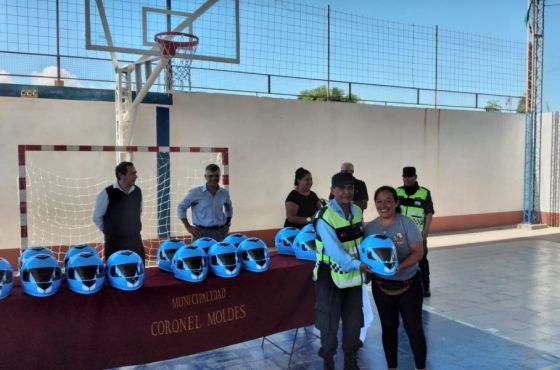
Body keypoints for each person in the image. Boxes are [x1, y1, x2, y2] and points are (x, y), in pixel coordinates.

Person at [314, 172, 372, 370]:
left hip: (353, 276)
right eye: (342, 188)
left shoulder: (357, 210)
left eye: (350, 188)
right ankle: (328, 362)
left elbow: (361, 242)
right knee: (329, 323)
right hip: (329, 275)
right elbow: (335, 252)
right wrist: (360, 265)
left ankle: (351, 362)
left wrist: (368, 264)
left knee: (354, 321)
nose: (347, 192)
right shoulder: (324, 217)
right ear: (332, 191)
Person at [365, 186, 427, 370]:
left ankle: (421, 367)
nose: (383, 205)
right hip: (382, 287)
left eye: (388, 201)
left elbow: (418, 252)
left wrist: (399, 266)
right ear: (375, 204)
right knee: (388, 328)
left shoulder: (407, 223)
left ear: (396, 202)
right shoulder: (370, 229)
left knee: (414, 329)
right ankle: (392, 367)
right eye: (379, 201)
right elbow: (367, 256)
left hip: (409, 285)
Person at [93, 161, 145, 262]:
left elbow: (139, 212)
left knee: (138, 270)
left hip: (135, 240)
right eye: (132, 173)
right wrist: (109, 231)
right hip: (114, 243)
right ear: (122, 175)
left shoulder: (138, 191)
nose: (136, 176)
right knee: (115, 272)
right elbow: (97, 217)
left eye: (135, 173)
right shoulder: (107, 193)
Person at [396, 166, 434, 297]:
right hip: (400, 235)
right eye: (404, 176)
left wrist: (425, 233)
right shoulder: (397, 192)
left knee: (422, 260)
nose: (407, 179)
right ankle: (403, 283)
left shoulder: (424, 193)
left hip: (418, 235)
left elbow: (429, 214)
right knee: (401, 259)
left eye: (409, 176)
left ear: (415, 177)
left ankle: (425, 285)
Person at [177, 164, 233, 242]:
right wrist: (188, 226)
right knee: (200, 254)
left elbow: (229, 207)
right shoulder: (196, 192)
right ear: (205, 177)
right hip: (201, 233)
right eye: (210, 176)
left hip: (220, 233)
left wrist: (227, 223)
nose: (213, 178)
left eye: (216, 175)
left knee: (220, 254)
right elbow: (181, 207)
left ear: (219, 176)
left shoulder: (224, 193)